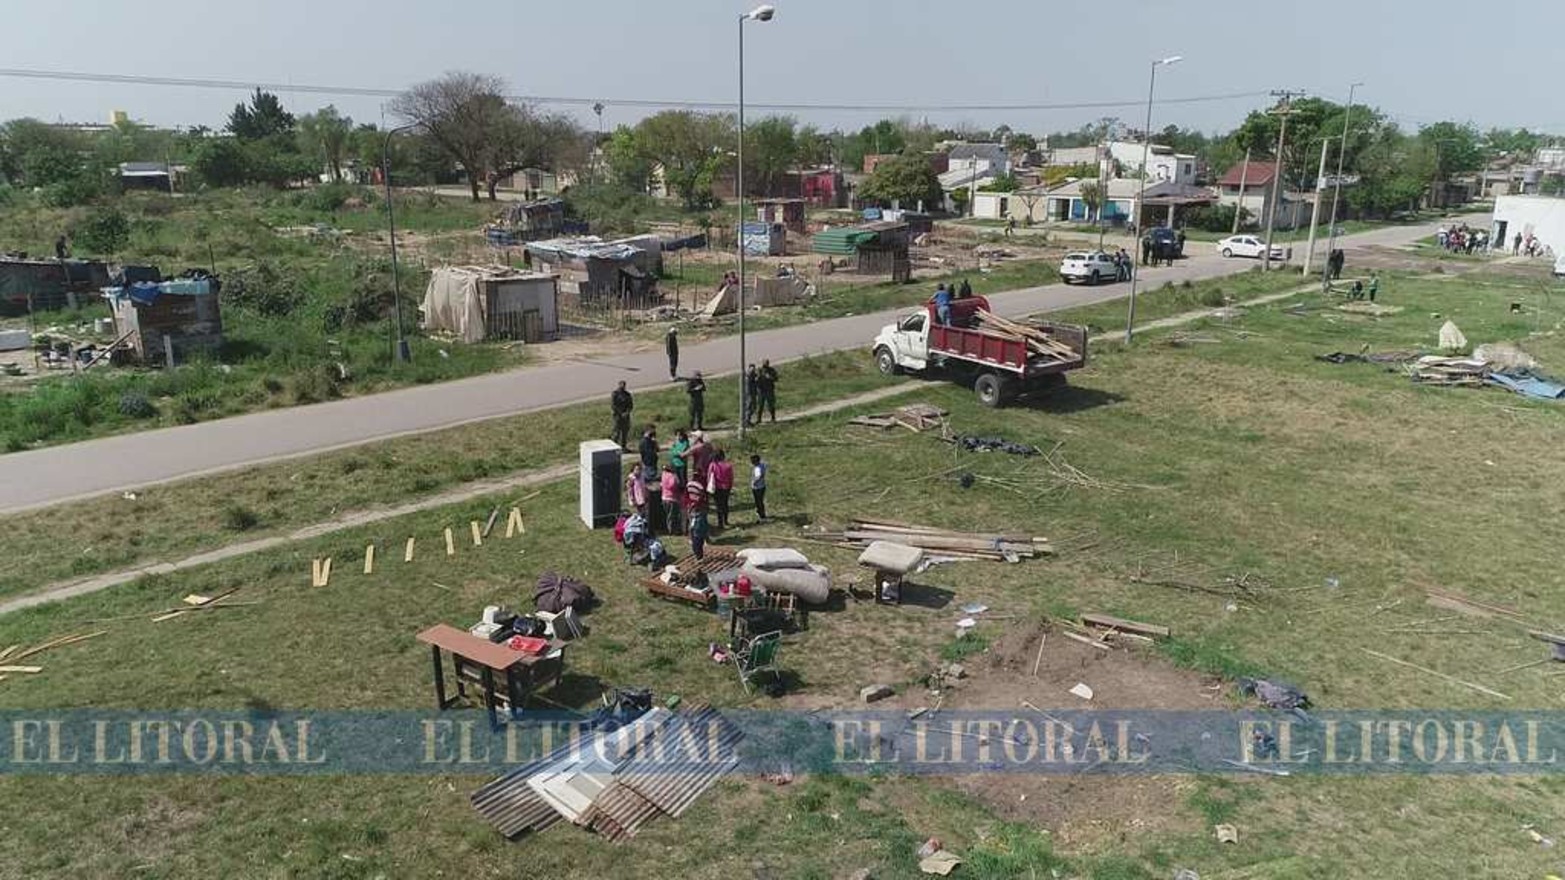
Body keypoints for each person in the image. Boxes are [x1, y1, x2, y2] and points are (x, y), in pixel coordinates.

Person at [684, 477, 710, 560]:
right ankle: (698, 554)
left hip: (692, 510)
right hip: (698, 511)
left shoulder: (689, 485)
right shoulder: (701, 487)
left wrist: (689, 504)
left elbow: (685, 496)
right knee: (698, 534)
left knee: (694, 529)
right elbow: (702, 498)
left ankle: (698, 553)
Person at [709, 449, 735, 528]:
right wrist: (730, 486)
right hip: (726, 487)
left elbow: (709, 476)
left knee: (718, 505)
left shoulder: (713, 465)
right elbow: (731, 478)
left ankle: (720, 523)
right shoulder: (728, 466)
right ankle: (726, 520)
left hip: (716, 487)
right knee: (725, 504)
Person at [610, 381, 634, 450]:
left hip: (626, 417)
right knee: (616, 433)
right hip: (617, 417)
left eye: (624, 385)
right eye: (621, 385)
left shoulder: (627, 394)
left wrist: (627, 412)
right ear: (619, 385)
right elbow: (613, 405)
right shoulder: (615, 394)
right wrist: (620, 413)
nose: (622, 386)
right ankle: (613, 447)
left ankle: (624, 447)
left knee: (625, 433)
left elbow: (630, 405)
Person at [659, 464, 682, 535]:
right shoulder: (672, 476)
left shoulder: (663, 475)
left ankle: (668, 528)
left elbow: (662, 484)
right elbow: (673, 485)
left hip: (664, 497)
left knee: (667, 515)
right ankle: (671, 530)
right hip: (672, 498)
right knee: (672, 515)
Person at [749, 453, 768, 522]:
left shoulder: (757, 468)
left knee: (758, 501)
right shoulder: (762, 465)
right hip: (762, 486)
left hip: (757, 487)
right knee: (760, 501)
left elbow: (759, 476)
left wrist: (754, 482)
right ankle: (760, 512)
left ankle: (761, 515)